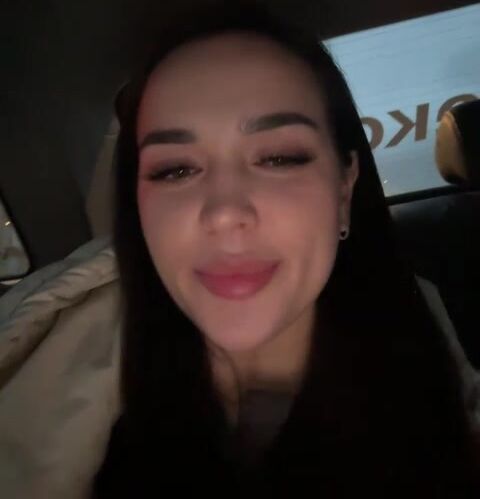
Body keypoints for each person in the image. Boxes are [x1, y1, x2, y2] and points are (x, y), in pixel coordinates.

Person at [84, 1, 480, 497]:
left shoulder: (437, 364)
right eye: (175, 169)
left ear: (344, 189)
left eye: (279, 158)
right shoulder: (58, 403)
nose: (224, 213)